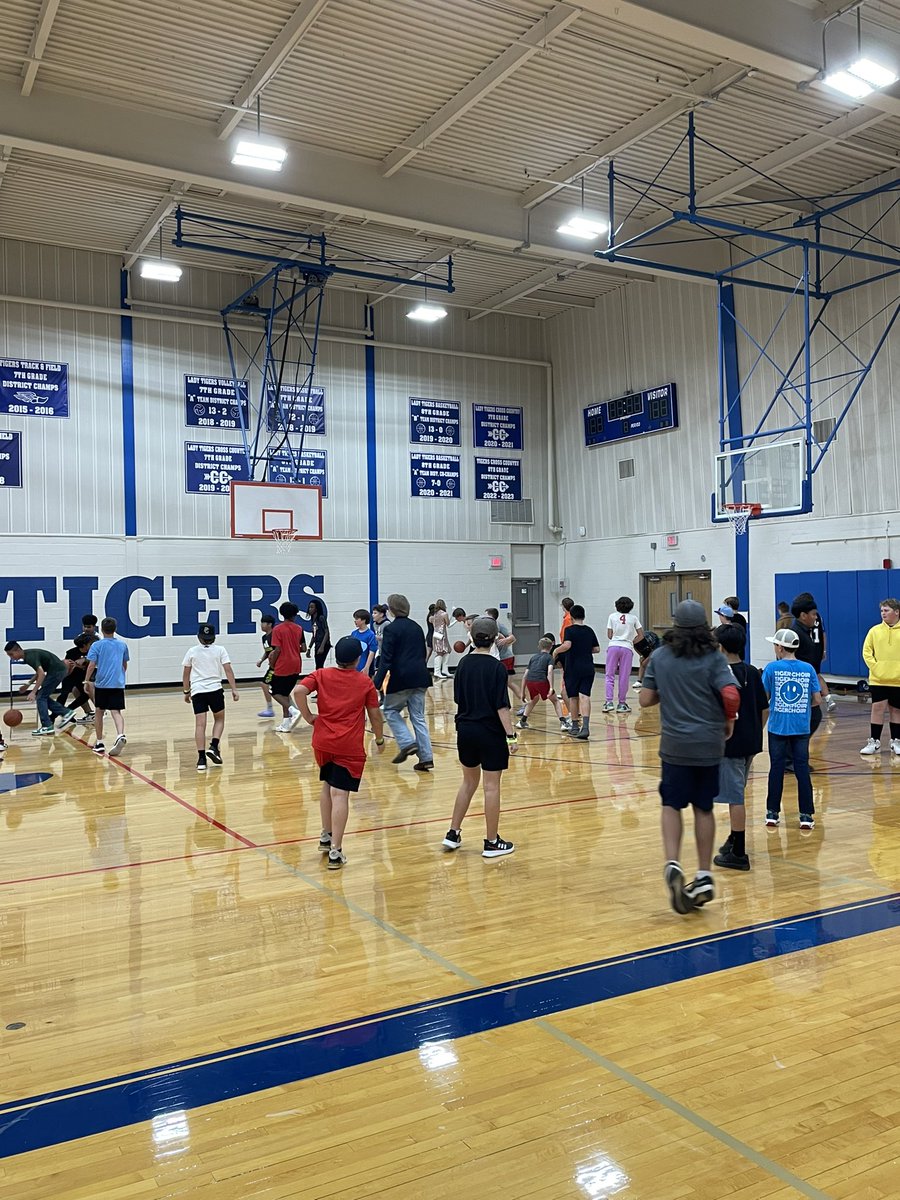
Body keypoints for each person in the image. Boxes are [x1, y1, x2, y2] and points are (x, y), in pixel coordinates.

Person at [639, 600, 740, 914]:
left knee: (671, 804)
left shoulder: (660, 656)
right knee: (704, 808)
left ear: (675, 625)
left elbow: (644, 700)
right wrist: (728, 722)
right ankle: (704, 872)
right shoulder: (714, 658)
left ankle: (672, 862)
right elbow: (731, 694)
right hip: (709, 744)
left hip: (675, 745)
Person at [295, 635, 385, 870]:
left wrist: (308, 717)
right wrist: (379, 738)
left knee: (327, 784)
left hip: (322, 742)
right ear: (357, 659)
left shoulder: (322, 675)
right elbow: (375, 714)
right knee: (340, 794)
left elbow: (298, 691)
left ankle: (326, 836)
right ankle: (336, 850)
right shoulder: (364, 682)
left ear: (337, 656)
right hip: (349, 746)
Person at [442, 617, 517, 858]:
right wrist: (511, 736)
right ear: (496, 639)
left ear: (472, 638)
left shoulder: (463, 664)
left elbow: (457, 699)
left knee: (468, 782)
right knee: (491, 787)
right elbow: (501, 707)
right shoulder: (497, 668)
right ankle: (492, 841)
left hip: (465, 730)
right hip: (490, 733)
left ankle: (453, 833)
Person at [713, 624, 769, 871]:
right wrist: (755, 731)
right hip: (750, 743)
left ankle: (738, 852)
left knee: (735, 797)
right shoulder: (752, 672)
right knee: (737, 790)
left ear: (720, 647)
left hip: (730, 745)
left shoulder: (718, 675)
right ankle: (733, 839)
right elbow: (764, 709)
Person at [761, 627, 821, 830]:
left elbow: (765, 698)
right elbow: (816, 699)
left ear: (779, 647)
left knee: (776, 769)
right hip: (801, 728)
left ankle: (772, 813)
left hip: (777, 727)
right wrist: (801, 710)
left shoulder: (771, 669)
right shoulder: (809, 669)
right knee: (802, 770)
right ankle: (806, 816)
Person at [374, 593, 434, 772]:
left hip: (401, 678)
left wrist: (376, 683)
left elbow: (386, 659)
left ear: (391, 610)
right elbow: (422, 653)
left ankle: (407, 743)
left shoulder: (391, 630)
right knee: (419, 718)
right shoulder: (416, 627)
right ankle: (426, 758)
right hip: (421, 676)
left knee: (391, 710)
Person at [182, 623, 240, 771]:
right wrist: (234, 689)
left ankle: (201, 759)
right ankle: (214, 746)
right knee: (219, 719)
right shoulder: (220, 650)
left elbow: (186, 673)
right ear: (213, 637)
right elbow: (228, 670)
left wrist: (186, 691)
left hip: (198, 691)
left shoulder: (192, 651)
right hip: (215, 689)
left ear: (199, 637)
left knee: (200, 725)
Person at [4, 641, 76, 736]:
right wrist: (28, 684)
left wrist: (33, 692)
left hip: (56, 671)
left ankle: (47, 725)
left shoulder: (30, 657)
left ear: (18, 650)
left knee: (41, 697)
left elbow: (41, 674)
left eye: (11, 654)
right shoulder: (28, 655)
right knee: (43, 697)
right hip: (57, 671)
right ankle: (66, 712)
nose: (11, 657)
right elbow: (39, 672)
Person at [860, 598, 900, 757]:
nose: (883, 613)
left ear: (896, 612)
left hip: (897, 679)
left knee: (896, 710)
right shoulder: (874, 631)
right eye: (882, 611)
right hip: (878, 678)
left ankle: (896, 741)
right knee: (877, 708)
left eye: (887, 610)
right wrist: (876, 667)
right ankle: (874, 742)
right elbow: (867, 652)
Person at [552, 604, 599, 740]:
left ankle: (574, 726)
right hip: (588, 667)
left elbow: (567, 645)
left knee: (573, 697)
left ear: (571, 617)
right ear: (583, 616)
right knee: (585, 696)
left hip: (573, 668)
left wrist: (555, 651)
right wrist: (584, 649)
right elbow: (596, 649)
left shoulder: (570, 630)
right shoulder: (589, 630)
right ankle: (585, 727)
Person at [84, 618, 130, 756]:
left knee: (99, 711)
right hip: (117, 683)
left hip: (102, 684)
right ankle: (120, 734)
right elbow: (124, 664)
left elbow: (91, 665)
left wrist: (86, 681)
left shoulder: (97, 646)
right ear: (115, 629)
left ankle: (99, 742)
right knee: (116, 711)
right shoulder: (122, 645)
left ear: (101, 629)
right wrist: (119, 676)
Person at [790, 594, 827, 739]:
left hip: (807, 683)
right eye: (813, 614)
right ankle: (793, 757)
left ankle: (799, 758)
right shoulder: (796, 634)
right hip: (800, 686)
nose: (815, 617)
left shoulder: (806, 632)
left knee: (813, 718)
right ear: (803, 615)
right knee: (811, 718)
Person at [268, 601, 307, 732]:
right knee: (284, 693)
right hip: (296, 663)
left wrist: (272, 663)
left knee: (273, 691)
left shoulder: (277, 629)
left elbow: (277, 650)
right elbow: (303, 648)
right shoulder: (299, 628)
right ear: (295, 615)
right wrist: (292, 647)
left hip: (283, 664)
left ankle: (294, 711)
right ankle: (286, 723)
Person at [516, 637, 566, 730]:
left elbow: (525, 675)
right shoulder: (549, 658)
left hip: (530, 682)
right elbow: (550, 672)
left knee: (533, 700)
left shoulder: (533, 657)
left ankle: (522, 721)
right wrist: (551, 687)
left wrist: (522, 692)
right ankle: (563, 722)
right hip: (541, 681)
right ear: (551, 647)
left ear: (539, 646)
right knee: (555, 700)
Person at [605, 596, 643, 713]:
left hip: (613, 646)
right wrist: (631, 641)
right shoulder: (634, 618)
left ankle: (609, 702)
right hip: (627, 648)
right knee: (624, 676)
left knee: (609, 675)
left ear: (617, 605)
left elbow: (610, 635)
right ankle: (621, 704)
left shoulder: (612, 616)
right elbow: (641, 635)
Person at [59, 632, 95, 723]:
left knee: (86, 694)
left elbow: (92, 664)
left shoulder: (92, 652)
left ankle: (69, 710)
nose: (92, 645)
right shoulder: (71, 652)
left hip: (81, 677)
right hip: (69, 676)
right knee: (64, 694)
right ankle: (52, 717)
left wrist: (81, 665)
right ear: (84, 645)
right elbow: (67, 666)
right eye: (90, 644)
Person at [256, 614, 276, 717]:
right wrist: (261, 660)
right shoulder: (264, 638)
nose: (261, 625)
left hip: (277, 667)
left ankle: (270, 709)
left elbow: (278, 650)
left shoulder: (275, 635)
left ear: (269, 624)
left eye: (263, 623)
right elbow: (267, 652)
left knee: (265, 685)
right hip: (272, 666)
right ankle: (292, 709)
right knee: (280, 689)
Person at [350, 609, 378, 675]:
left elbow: (372, 652)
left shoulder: (370, 635)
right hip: (353, 667)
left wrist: (367, 667)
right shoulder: (354, 633)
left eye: (357, 619)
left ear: (363, 620)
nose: (355, 621)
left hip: (363, 666)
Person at [306, 598, 331, 670]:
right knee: (318, 664)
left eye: (312, 607)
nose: (310, 609)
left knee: (319, 665)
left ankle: (321, 680)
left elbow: (326, 632)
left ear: (316, 608)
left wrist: (322, 646)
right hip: (317, 643)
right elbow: (314, 635)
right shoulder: (313, 619)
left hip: (323, 643)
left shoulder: (321, 618)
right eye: (309, 607)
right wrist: (309, 648)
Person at [430, 599, 451, 679]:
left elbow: (431, 622)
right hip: (442, 633)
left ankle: (444, 670)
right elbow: (448, 624)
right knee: (441, 652)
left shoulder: (433, 615)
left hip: (435, 634)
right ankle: (437, 671)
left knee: (446, 650)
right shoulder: (444, 614)